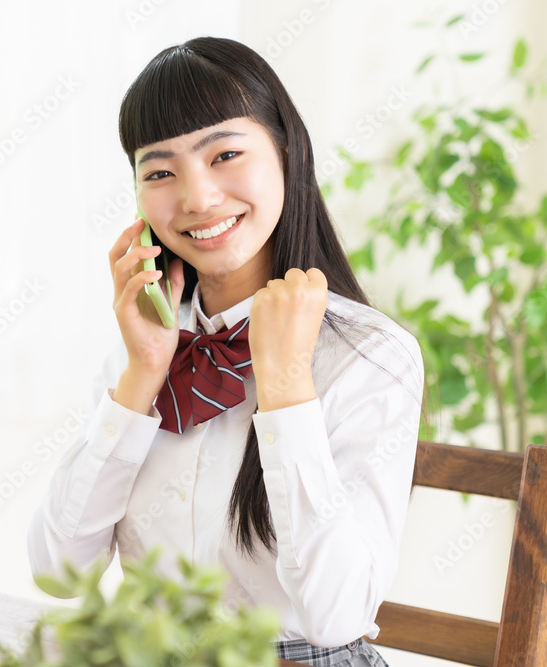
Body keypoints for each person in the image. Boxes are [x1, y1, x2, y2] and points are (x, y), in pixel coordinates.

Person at [27, 36, 427, 667]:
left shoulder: (371, 355)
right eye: (160, 171)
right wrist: (140, 376)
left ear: (287, 153)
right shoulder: (145, 345)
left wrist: (288, 382)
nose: (197, 198)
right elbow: (57, 572)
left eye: (226, 154)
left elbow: (335, 615)